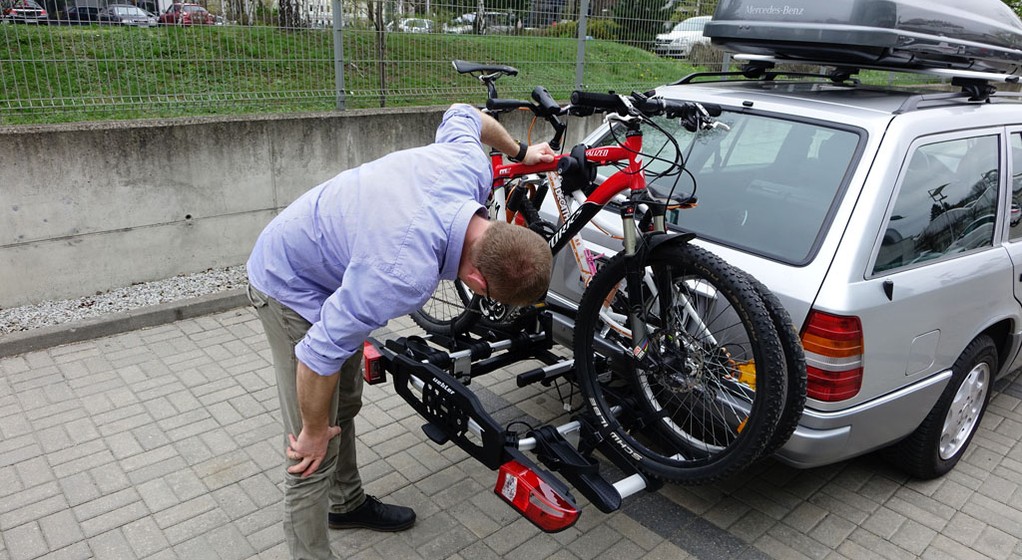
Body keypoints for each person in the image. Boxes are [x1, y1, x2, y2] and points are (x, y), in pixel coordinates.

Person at [246, 103, 555, 560]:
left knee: (343, 403)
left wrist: (522, 150)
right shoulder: (402, 272)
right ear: (477, 283)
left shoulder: (470, 168)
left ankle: (346, 505)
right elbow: (317, 355)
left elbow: (465, 112)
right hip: (288, 283)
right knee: (311, 452)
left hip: (336, 270)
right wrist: (312, 428)